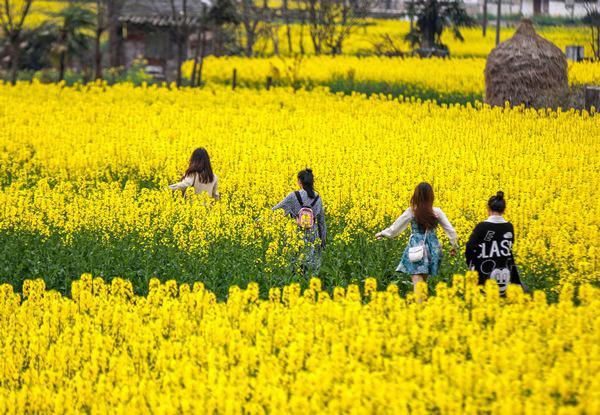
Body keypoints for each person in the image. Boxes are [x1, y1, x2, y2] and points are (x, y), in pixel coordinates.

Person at [376, 182, 458, 293]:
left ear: (416, 195)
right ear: (431, 196)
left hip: (417, 247)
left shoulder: (412, 211)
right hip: (433, 248)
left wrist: (383, 233)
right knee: (423, 281)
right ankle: (423, 306)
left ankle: (419, 308)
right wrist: (454, 245)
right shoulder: (437, 212)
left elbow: (396, 228)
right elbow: (450, 230)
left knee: (417, 279)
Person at [465, 191, 523, 295]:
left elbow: (469, 247)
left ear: (488, 208)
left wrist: (471, 264)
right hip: (505, 274)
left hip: (483, 274)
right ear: (504, 210)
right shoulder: (509, 227)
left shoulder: (482, 226)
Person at [273, 169, 327, 277]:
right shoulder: (317, 198)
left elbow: (276, 212)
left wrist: (257, 222)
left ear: (299, 181)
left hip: (295, 236)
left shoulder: (293, 196)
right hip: (313, 235)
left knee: (294, 268)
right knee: (310, 270)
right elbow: (321, 222)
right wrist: (323, 242)